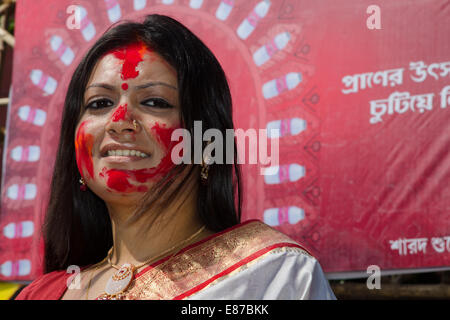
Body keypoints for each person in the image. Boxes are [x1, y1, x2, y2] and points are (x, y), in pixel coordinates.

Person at [15, 14, 336, 300]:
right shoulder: (42, 294)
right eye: (100, 103)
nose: (120, 120)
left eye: (155, 102)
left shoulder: (274, 276)